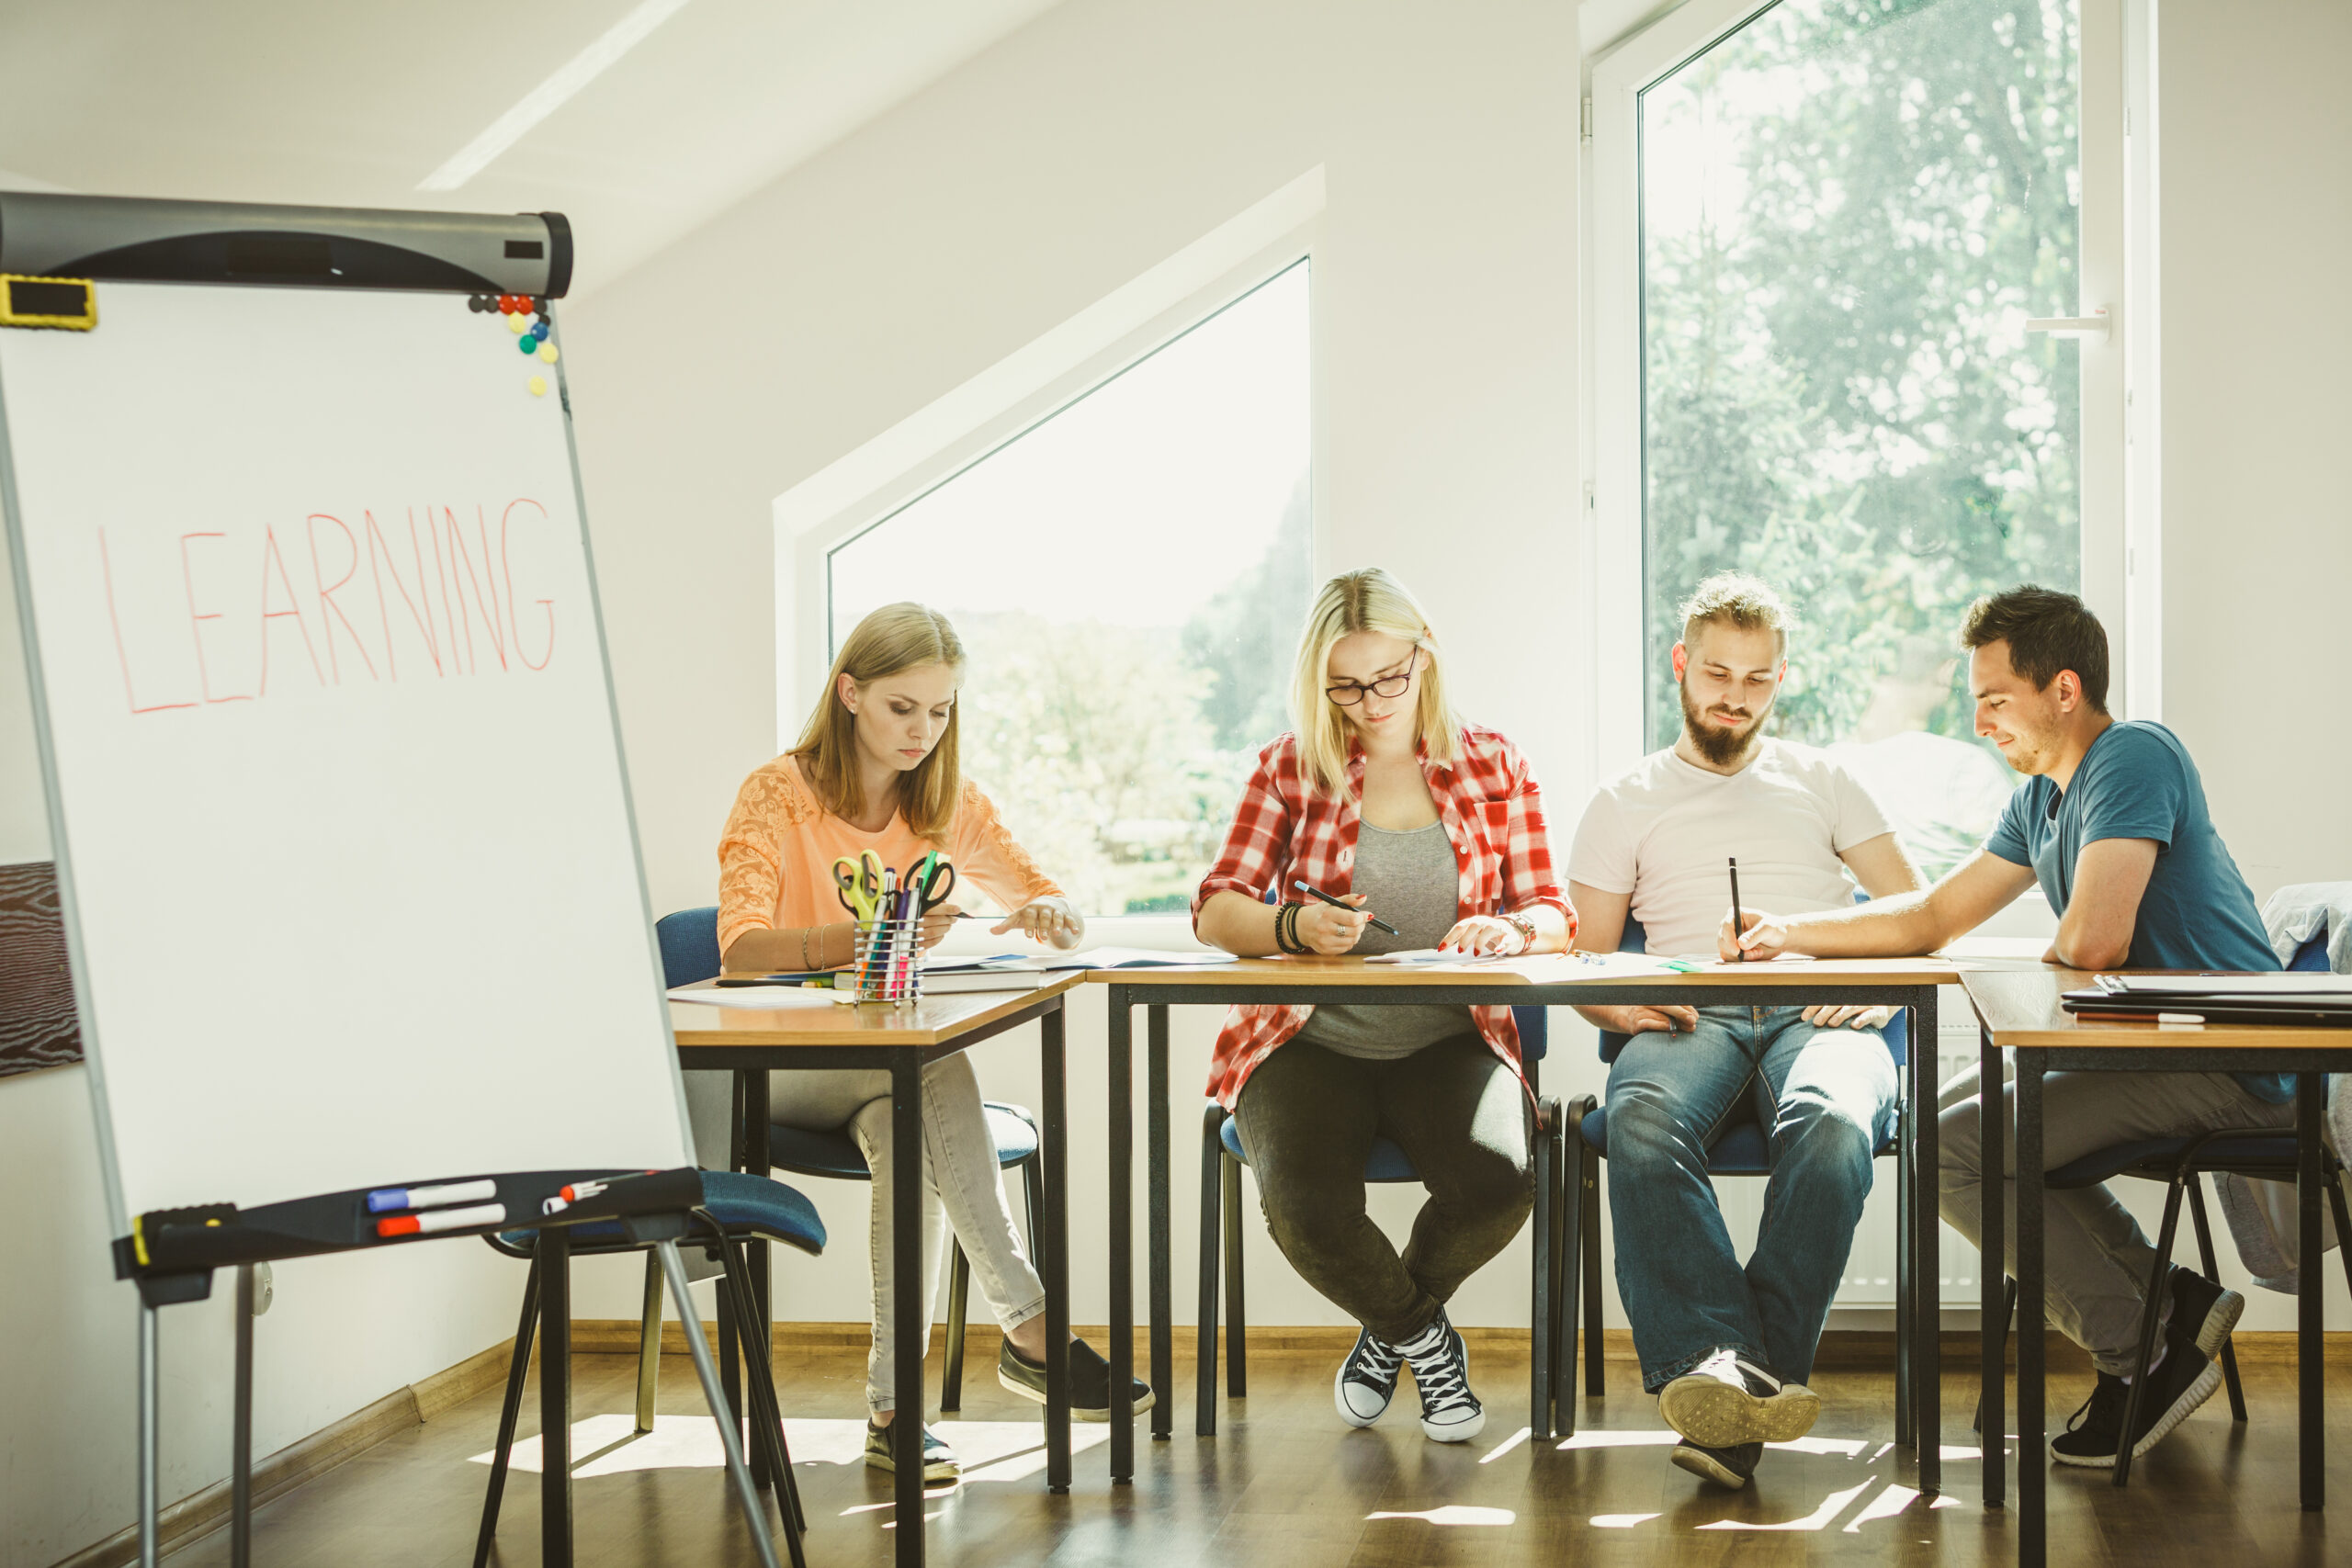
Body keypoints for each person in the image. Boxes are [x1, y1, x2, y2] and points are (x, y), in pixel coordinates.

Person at [1723, 585, 2280, 1471]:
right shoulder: (2043, 800)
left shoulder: (2132, 756)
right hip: (2145, 1053)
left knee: (1953, 1152)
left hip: (2224, 1059)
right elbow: (1932, 916)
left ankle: (2144, 1355)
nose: (1980, 723)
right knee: (1946, 1129)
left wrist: (2059, 948)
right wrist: (1793, 934)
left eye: (1994, 700)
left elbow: (2094, 939)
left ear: (2064, 689)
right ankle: (2166, 1301)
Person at [713, 602, 1151, 1482]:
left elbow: (1044, 897)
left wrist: (1051, 913)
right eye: (901, 708)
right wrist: (883, 930)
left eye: (941, 711)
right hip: (782, 1065)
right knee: (930, 1070)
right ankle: (1030, 1328)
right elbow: (740, 952)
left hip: (884, 1069)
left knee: (912, 1102)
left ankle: (895, 1412)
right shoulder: (778, 792)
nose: (923, 731)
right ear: (849, 695)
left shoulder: (948, 801)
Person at [1193, 568, 1576, 1443]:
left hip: (1450, 1037)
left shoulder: (1493, 762)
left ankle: (1384, 1333)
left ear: (1424, 657)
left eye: (1388, 677)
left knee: (1502, 1182)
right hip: (1307, 1043)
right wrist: (1293, 923)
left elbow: (1555, 910)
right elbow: (1217, 908)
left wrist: (1511, 933)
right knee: (1303, 1204)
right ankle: (1425, 1340)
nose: (1369, 701)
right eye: (1346, 684)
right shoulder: (1290, 766)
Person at [1566, 572, 1926, 1491]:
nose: (1734, 695)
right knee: (1638, 1125)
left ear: (1781, 679)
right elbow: (1587, 961)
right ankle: (1737, 1363)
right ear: (1681, 666)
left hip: (1820, 1008)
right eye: (1717, 672)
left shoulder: (1825, 780)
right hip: (1688, 1011)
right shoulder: (1622, 800)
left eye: (1756, 678)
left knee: (1838, 1123)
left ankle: (1733, 1379)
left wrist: (1884, 991)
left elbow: (1915, 912)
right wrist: (1615, 1008)